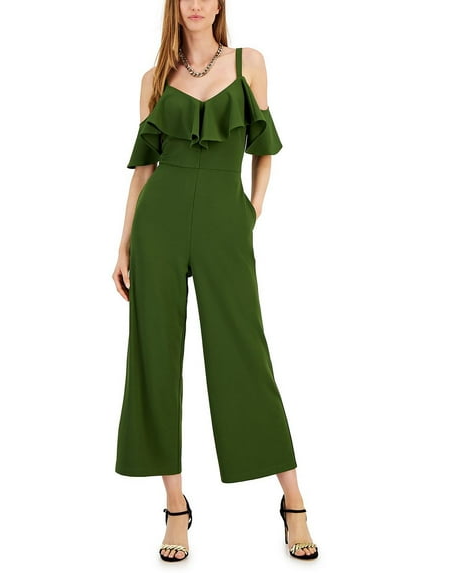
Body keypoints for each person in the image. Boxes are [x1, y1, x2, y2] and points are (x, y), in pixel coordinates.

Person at [112, 0, 318, 562]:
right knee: (154, 357)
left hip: (225, 223)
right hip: (159, 223)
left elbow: (264, 150)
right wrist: (124, 243)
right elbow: (144, 170)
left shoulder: (250, 62)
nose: (197, 3)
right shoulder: (154, 78)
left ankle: (294, 501)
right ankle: (175, 508)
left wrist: (251, 211)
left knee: (243, 352)